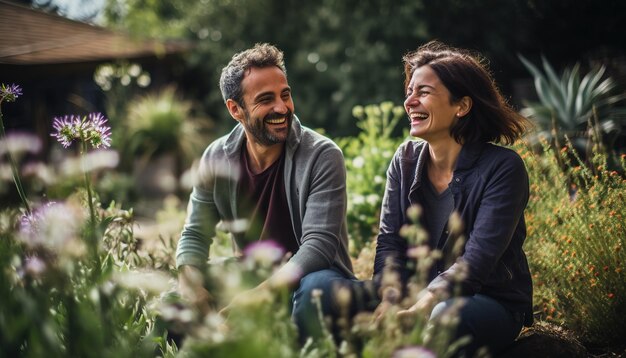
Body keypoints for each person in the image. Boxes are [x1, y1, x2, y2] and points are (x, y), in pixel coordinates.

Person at [175, 43, 357, 342]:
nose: (282, 107)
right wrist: (190, 283)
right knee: (172, 301)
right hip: (251, 275)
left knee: (317, 290)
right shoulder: (216, 158)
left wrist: (258, 296)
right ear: (235, 109)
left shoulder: (323, 155)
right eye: (265, 99)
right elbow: (195, 233)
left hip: (307, 279)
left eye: (285, 95)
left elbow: (319, 247)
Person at [373, 41, 533, 356]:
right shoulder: (405, 159)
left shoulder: (503, 168)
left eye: (424, 92)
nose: (410, 101)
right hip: (416, 296)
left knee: (443, 318)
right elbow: (389, 243)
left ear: (461, 106)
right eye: (409, 92)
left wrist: (424, 304)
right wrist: (389, 300)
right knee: (330, 297)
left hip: (486, 301)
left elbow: (476, 262)